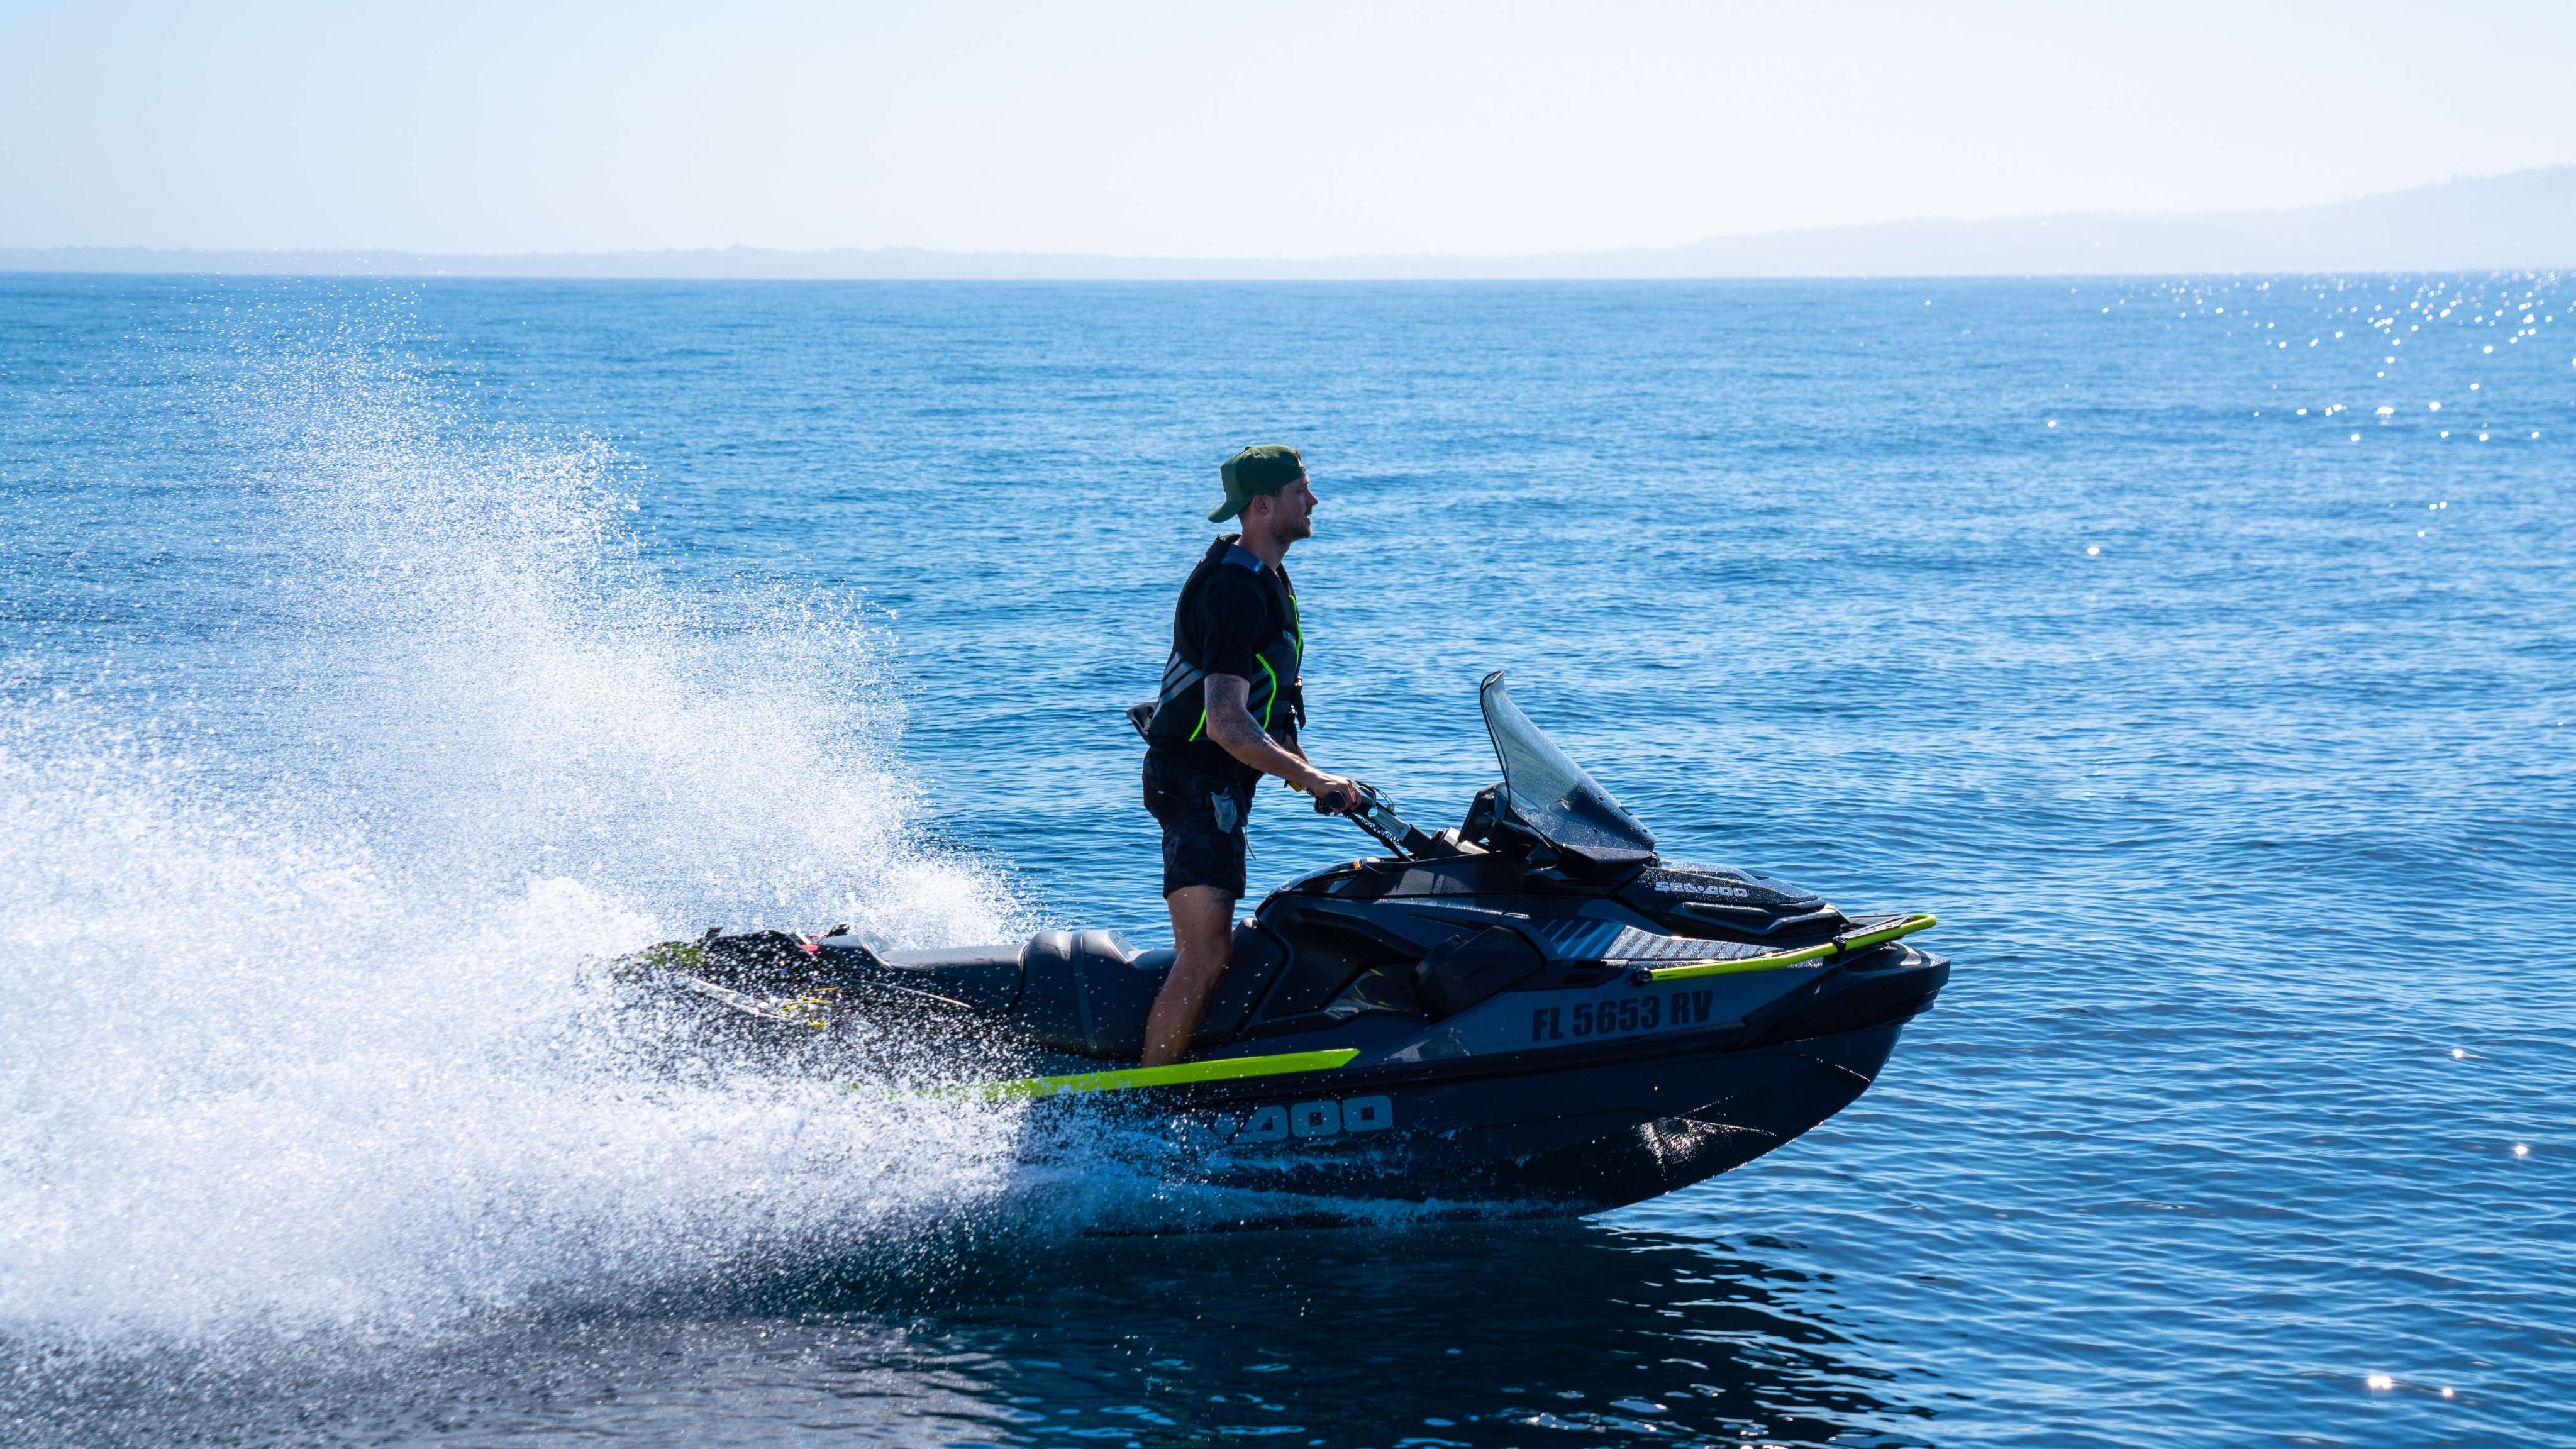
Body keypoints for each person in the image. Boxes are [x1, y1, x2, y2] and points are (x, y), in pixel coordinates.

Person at [1136, 445, 1363, 1067]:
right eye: (1301, 493)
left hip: (1217, 782)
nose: (1313, 502)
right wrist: (1314, 779)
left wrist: (1316, 776)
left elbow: (1269, 709)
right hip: (1193, 781)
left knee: (1211, 948)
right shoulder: (1233, 590)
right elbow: (1227, 724)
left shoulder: (1268, 578)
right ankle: (1146, 1100)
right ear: (1261, 507)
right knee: (1206, 953)